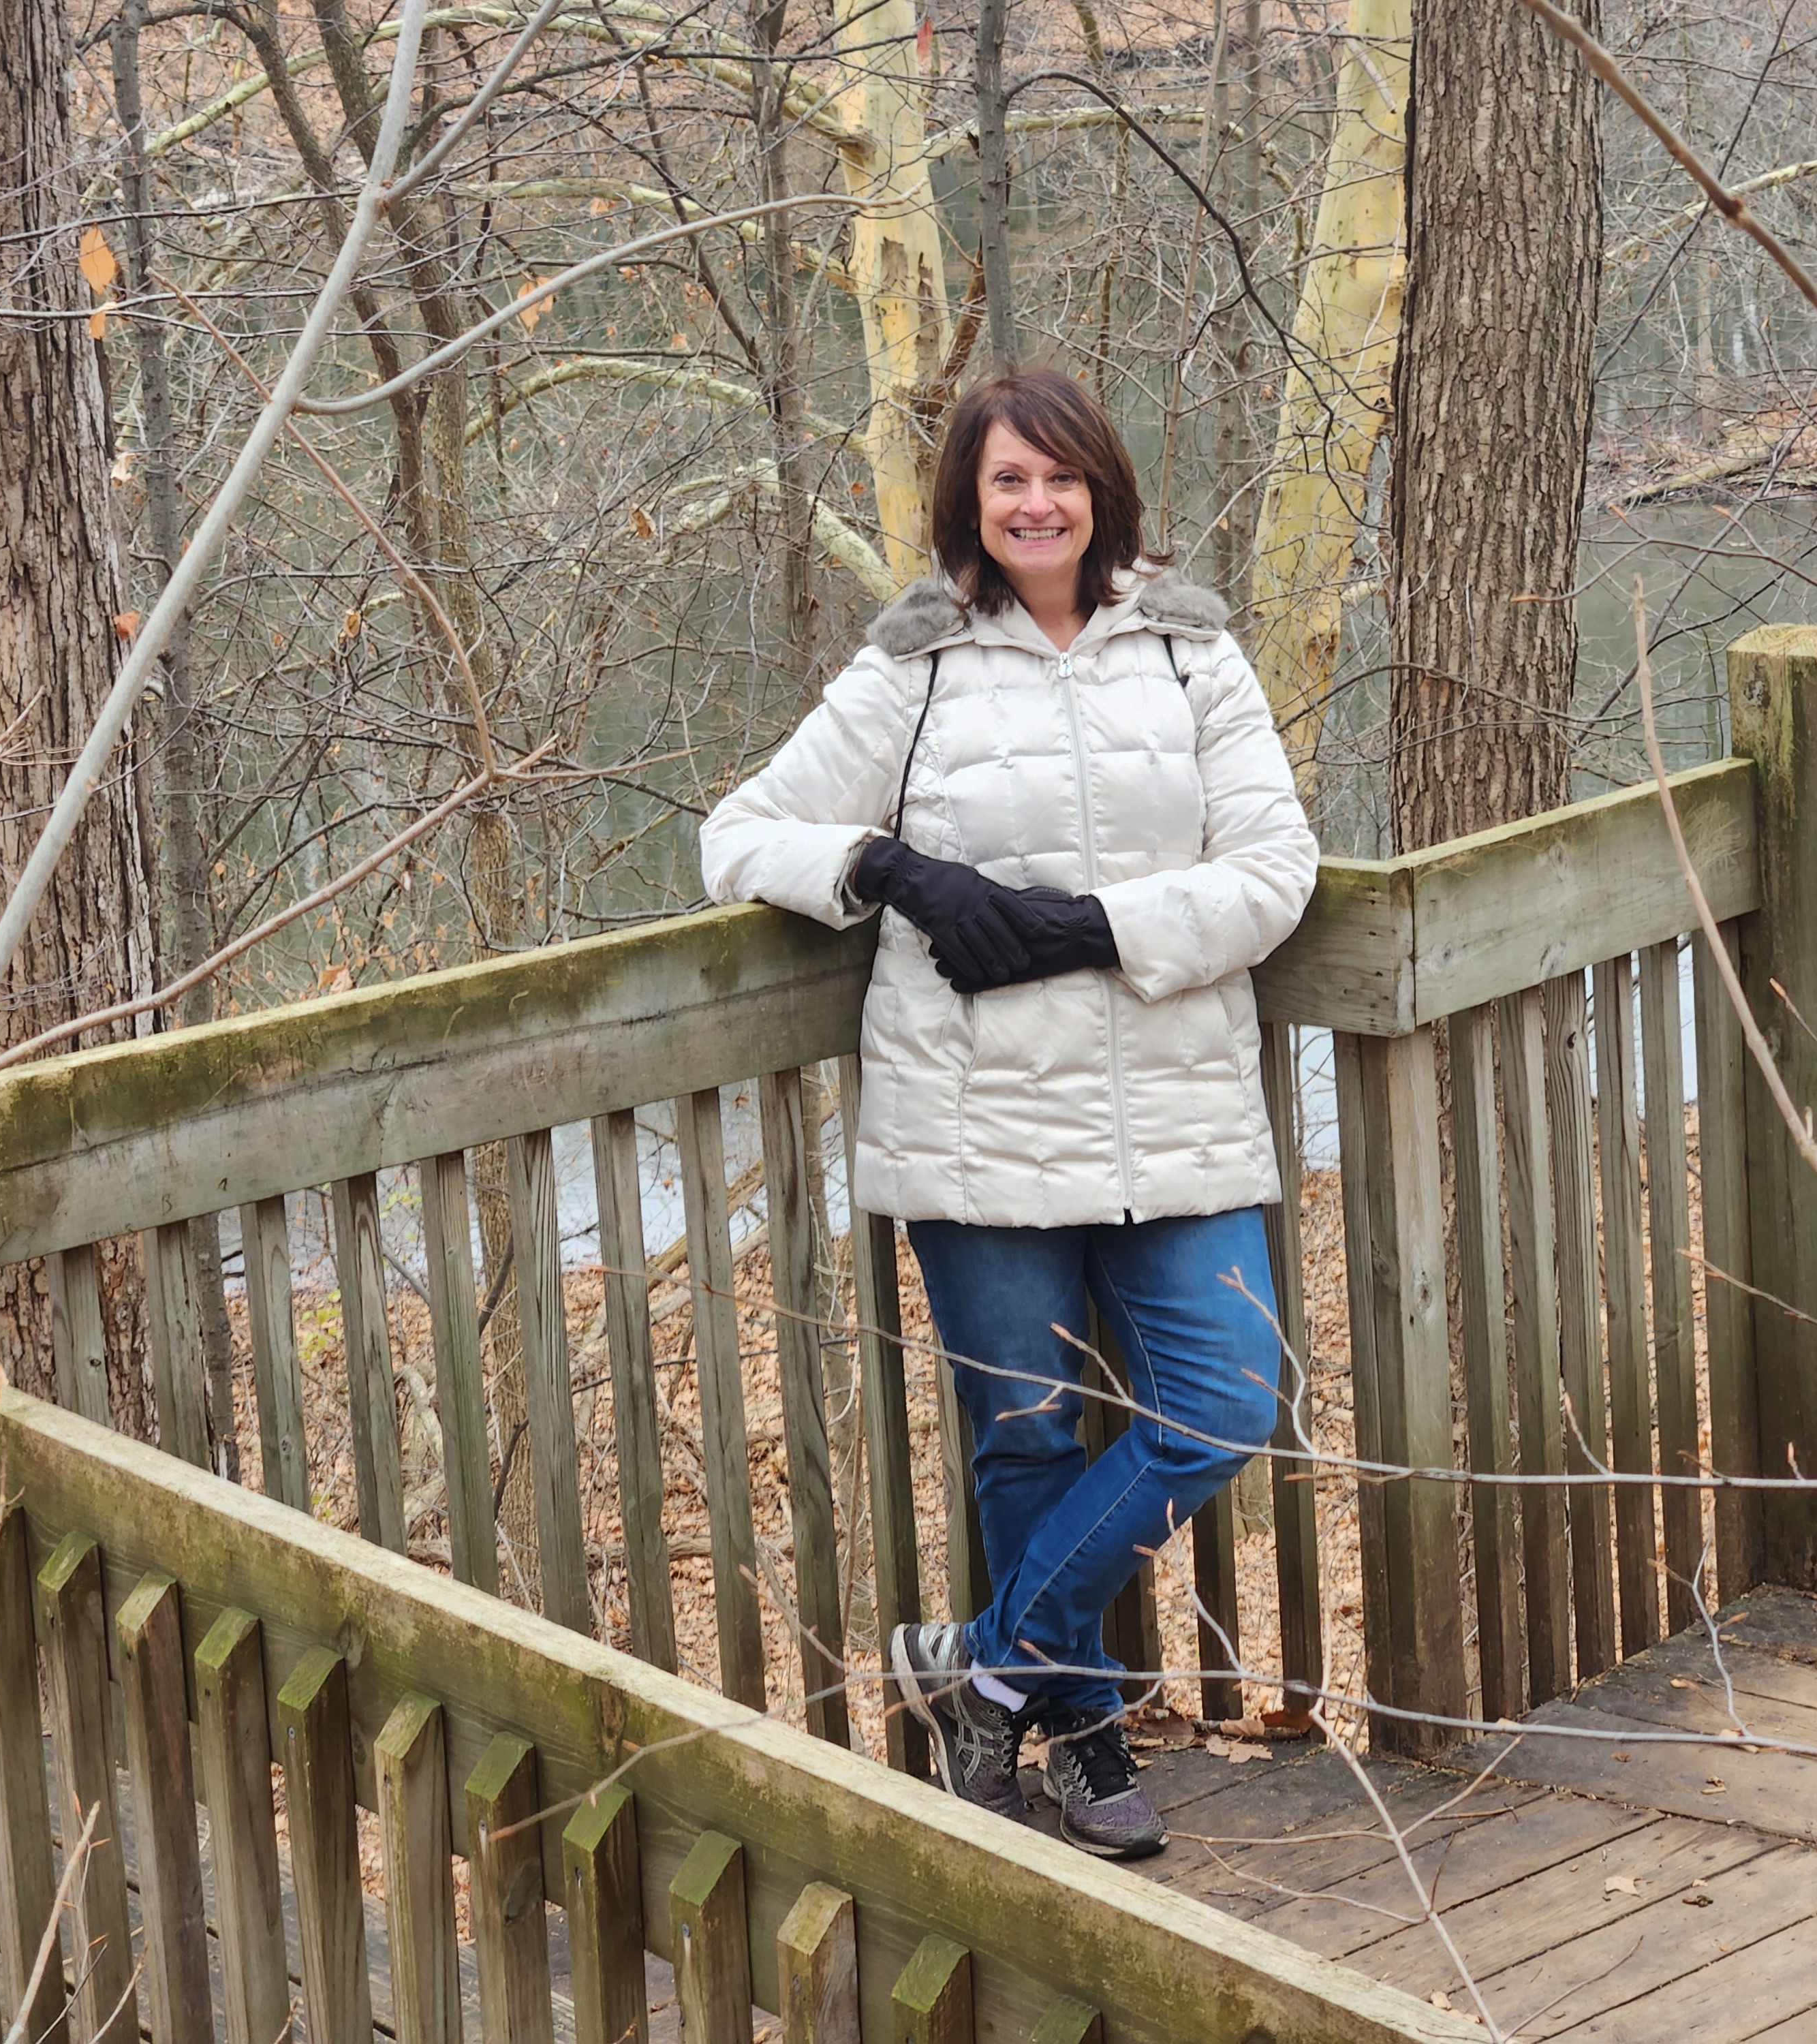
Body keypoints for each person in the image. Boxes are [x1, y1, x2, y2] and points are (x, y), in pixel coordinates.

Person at [700, 368, 1318, 1858]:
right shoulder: (913, 668)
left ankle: (975, 1671)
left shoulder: (1190, 653)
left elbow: (1274, 872)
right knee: (1026, 1438)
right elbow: (738, 836)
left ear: (1102, 488)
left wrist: (1087, 927)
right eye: (1006, 482)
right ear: (968, 506)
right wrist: (890, 870)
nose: (1036, 505)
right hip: (973, 1132)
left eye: (1059, 476)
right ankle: (1085, 1745)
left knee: (1226, 1402)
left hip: (1174, 1121)